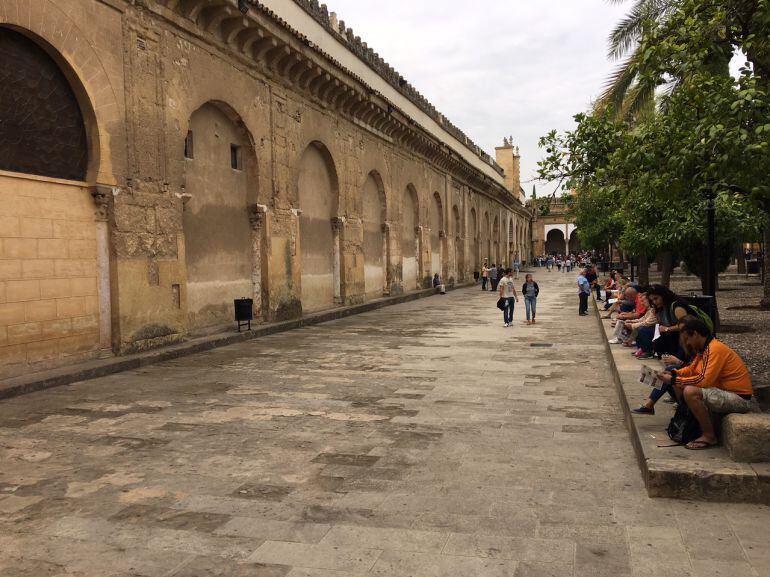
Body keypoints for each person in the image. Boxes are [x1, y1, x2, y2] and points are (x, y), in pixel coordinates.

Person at [659, 316, 753, 450]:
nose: (688, 344)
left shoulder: (714, 349)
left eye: (688, 339)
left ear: (695, 334)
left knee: (690, 391)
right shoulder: (704, 348)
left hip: (738, 398)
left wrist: (674, 379)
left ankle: (709, 435)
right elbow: (692, 369)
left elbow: (704, 380)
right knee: (679, 383)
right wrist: (674, 374)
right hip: (723, 391)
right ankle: (688, 421)